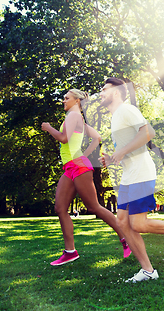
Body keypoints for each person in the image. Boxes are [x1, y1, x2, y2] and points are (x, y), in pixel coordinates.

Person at [99, 77, 164, 282]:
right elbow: (130, 147)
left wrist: (122, 152)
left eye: (104, 89)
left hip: (141, 174)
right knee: (122, 222)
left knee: (138, 224)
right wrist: (113, 158)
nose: (100, 93)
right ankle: (148, 270)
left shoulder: (126, 110)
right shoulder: (115, 117)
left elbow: (148, 132)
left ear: (116, 92)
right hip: (129, 175)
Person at [41, 89, 131, 266]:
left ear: (76, 101)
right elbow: (97, 137)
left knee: (94, 206)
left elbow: (64, 138)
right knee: (60, 208)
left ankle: (126, 237)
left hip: (79, 167)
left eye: (67, 98)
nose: (63, 101)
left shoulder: (73, 116)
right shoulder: (77, 118)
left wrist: (49, 128)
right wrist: (84, 154)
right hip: (71, 167)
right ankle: (70, 252)